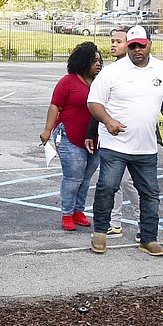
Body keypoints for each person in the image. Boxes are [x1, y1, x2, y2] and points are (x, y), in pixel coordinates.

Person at [87, 25, 163, 257]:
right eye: (132, 46)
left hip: (146, 147)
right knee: (107, 188)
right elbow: (94, 102)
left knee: (150, 193)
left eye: (141, 45)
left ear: (149, 44)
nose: (137, 50)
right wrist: (108, 121)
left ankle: (149, 238)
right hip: (115, 144)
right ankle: (100, 233)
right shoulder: (112, 72)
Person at [41, 42, 103, 231]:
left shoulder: (101, 82)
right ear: (83, 62)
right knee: (73, 177)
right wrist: (47, 130)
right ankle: (67, 213)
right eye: (94, 61)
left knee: (85, 178)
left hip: (94, 139)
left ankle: (78, 211)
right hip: (68, 136)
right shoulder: (68, 82)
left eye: (100, 61)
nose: (99, 65)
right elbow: (55, 106)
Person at [97, 28, 140, 240]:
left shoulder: (142, 71)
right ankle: (114, 223)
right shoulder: (110, 72)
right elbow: (97, 104)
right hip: (111, 138)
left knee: (131, 183)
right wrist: (92, 132)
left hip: (135, 139)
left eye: (119, 41)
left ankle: (144, 221)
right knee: (111, 183)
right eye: (112, 41)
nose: (113, 45)